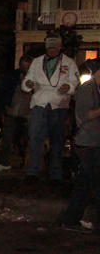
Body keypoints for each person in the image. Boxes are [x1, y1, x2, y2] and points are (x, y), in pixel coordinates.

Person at [21, 35, 80, 183]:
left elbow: (75, 81)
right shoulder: (37, 62)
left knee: (57, 140)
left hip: (58, 104)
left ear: (60, 47)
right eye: (50, 47)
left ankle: (55, 173)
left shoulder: (69, 63)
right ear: (46, 48)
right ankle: (34, 171)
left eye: (55, 47)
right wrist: (28, 84)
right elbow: (28, 79)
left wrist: (69, 87)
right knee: (35, 138)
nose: (52, 50)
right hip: (40, 103)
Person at [59, 58, 100, 229]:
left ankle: (71, 217)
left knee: (85, 183)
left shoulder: (96, 89)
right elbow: (85, 115)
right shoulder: (86, 89)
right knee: (95, 181)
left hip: (94, 140)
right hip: (88, 141)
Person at [0, 55, 33, 171]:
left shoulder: (35, 78)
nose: (25, 69)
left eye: (27, 67)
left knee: (25, 139)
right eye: (23, 66)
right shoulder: (13, 76)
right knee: (7, 137)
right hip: (13, 111)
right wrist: (5, 106)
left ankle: (25, 162)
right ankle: (4, 161)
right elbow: (3, 91)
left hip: (28, 113)